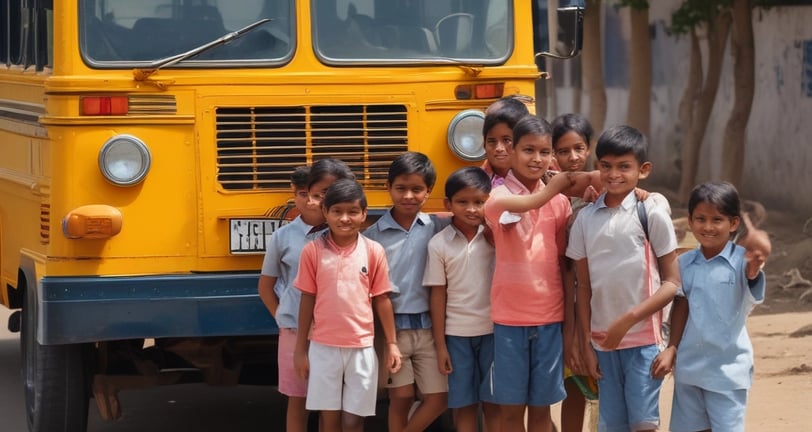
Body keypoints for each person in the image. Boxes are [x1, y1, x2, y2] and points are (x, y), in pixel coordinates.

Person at [566, 125, 681, 432]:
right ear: (597, 166)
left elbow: (672, 282)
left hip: (644, 341)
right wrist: (587, 343)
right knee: (611, 425)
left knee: (643, 425)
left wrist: (627, 320)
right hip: (602, 344)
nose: (613, 174)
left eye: (624, 167)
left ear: (642, 170)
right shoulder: (585, 221)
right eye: (606, 166)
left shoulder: (650, 213)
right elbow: (584, 286)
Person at [651, 181, 771, 432]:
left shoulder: (741, 261)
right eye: (700, 219)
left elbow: (752, 283)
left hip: (728, 372)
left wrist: (753, 268)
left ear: (733, 223)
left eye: (717, 220)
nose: (707, 227)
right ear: (690, 221)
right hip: (689, 369)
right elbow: (681, 305)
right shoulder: (684, 263)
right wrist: (672, 347)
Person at [482, 115, 572, 432]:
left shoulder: (561, 204)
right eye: (528, 150)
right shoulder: (496, 197)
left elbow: (563, 261)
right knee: (510, 414)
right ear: (512, 150)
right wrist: (557, 186)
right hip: (509, 321)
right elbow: (528, 202)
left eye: (544, 152)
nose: (537, 159)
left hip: (550, 318)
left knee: (540, 412)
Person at [293, 178, 402, 432]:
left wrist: (392, 344)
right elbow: (307, 299)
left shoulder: (373, 250)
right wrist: (301, 350)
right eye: (337, 212)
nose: (344, 218)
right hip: (323, 347)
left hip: (361, 347)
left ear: (364, 214)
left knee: (355, 419)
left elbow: (382, 298)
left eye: (352, 212)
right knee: (328, 418)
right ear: (325, 213)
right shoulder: (313, 251)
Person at [364, 151, 451, 432]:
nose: (408, 196)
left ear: (428, 192)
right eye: (401, 188)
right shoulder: (372, 237)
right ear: (388, 188)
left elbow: (476, 207)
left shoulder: (437, 227)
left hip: (429, 328)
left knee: (438, 399)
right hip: (393, 330)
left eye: (417, 189)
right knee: (400, 397)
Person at [424, 166, 499, 432]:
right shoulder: (439, 244)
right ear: (448, 204)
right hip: (456, 337)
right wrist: (441, 345)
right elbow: (437, 295)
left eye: (479, 202)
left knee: (494, 405)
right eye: (462, 202)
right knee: (464, 406)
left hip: (494, 333)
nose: (472, 209)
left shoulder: (496, 237)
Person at [258, 166, 325, 432]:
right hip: (294, 330)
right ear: (293, 196)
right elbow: (266, 286)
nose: (310, 201)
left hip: (332, 330)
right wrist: (282, 318)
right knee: (298, 399)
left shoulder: (339, 232)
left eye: (317, 195)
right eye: (302, 193)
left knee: (330, 402)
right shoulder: (282, 237)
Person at [550, 113, 599, 432]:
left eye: (578, 148)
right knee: (573, 383)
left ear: (590, 147)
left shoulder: (602, 186)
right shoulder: (546, 190)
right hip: (563, 298)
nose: (572, 158)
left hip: (601, 298)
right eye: (563, 151)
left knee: (601, 381)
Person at [481, 96, 530, 187]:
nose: (499, 148)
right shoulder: (474, 183)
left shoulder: (542, 178)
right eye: (491, 141)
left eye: (507, 140)